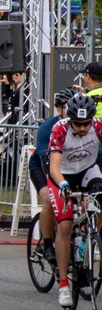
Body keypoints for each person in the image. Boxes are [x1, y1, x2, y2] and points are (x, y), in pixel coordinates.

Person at [47, 93, 102, 308]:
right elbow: (54, 166)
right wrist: (62, 185)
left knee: (100, 197)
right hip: (62, 175)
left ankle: (91, 239)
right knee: (65, 225)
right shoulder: (60, 129)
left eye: (86, 123)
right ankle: (63, 285)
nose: (82, 128)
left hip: (87, 171)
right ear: (70, 120)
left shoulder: (98, 126)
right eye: (78, 124)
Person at [29, 88, 73, 269]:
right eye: (67, 107)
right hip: (42, 167)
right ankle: (47, 244)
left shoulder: (83, 125)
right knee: (49, 198)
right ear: (58, 109)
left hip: (70, 169)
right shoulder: (47, 128)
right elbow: (46, 162)